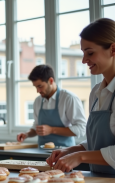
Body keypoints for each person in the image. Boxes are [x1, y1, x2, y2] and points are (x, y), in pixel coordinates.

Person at [46, 18, 115, 173]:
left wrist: (80, 157)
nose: (84, 60)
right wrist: (71, 150)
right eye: (83, 53)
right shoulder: (96, 93)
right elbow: (98, 142)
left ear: (113, 49)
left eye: (90, 53)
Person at [16, 65, 87, 147]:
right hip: (41, 152)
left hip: (65, 153)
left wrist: (52, 130)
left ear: (51, 80)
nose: (37, 91)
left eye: (40, 86)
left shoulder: (69, 98)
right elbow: (37, 127)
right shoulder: (38, 101)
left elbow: (81, 129)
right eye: (35, 87)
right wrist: (26, 134)